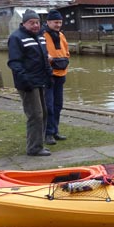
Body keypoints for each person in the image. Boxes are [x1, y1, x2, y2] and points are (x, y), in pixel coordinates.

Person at [8, 9, 53, 156]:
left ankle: (38, 142)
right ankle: (34, 148)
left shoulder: (40, 37)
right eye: (31, 22)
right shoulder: (17, 38)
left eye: (37, 22)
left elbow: (44, 58)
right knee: (35, 114)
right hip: (27, 82)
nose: (35, 25)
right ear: (24, 23)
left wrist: (49, 75)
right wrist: (25, 80)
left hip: (40, 81)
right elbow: (14, 62)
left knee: (44, 113)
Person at [42, 10, 70, 145]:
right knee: (49, 105)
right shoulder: (42, 36)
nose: (58, 25)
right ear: (48, 22)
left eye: (60, 22)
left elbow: (67, 52)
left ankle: (55, 130)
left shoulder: (62, 36)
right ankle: (48, 133)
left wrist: (65, 62)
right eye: (55, 22)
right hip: (48, 76)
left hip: (61, 74)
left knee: (58, 105)